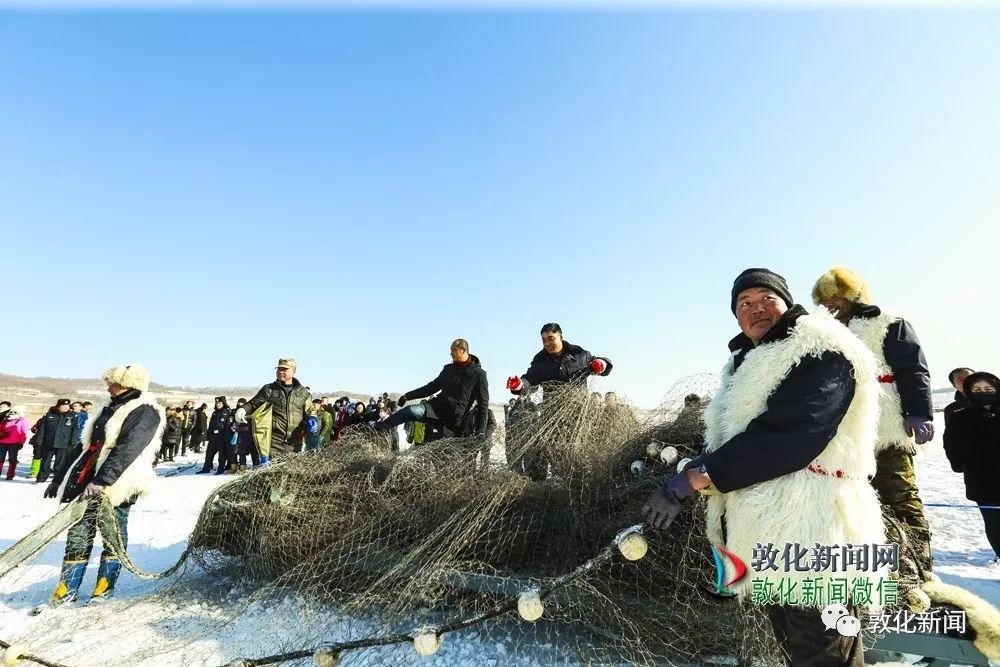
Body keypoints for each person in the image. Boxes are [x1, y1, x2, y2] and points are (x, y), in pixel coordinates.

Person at [643, 268, 884, 667]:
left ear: (786, 303)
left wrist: (696, 478)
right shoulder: (749, 362)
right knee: (799, 647)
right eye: (744, 304)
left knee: (821, 651)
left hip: (817, 531)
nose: (755, 309)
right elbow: (739, 440)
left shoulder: (821, 348)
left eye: (765, 298)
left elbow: (792, 433)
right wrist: (689, 475)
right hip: (774, 534)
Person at [813, 266, 934, 570]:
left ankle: (920, 564)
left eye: (835, 296)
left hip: (887, 427)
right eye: (822, 299)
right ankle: (880, 567)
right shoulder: (823, 334)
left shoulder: (887, 323)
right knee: (857, 502)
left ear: (852, 294)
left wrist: (918, 411)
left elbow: (913, 368)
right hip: (845, 437)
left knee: (900, 496)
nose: (828, 304)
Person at [42, 363, 164, 607]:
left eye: (113, 383)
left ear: (129, 384)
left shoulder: (145, 411)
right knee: (78, 533)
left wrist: (103, 480)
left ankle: (104, 588)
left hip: (118, 483)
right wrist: (59, 478)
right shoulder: (107, 408)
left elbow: (128, 449)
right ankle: (66, 590)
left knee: (112, 535)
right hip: (86, 478)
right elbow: (85, 445)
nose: (109, 387)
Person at [375, 339, 489, 440]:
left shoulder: (479, 374)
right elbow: (431, 387)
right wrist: (408, 396)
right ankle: (381, 428)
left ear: (463, 350)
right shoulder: (448, 369)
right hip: (435, 408)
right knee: (410, 410)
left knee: (443, 455)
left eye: (453, 350)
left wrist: (481, 431)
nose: (451, 353)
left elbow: (483, 404)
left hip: (455, 421)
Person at [943, 372, 1000, 566]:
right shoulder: (959, 416)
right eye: (977, 390)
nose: (983, 393)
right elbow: (951, 445)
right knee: (995, 524)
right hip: (983, 482)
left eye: (988, 389)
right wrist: (961, 464)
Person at [506, 323, 612, 398]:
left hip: (579, 415)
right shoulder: (540, 361)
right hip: (552, 418)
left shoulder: (579, 354)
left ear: (561, 337)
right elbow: (530, 380)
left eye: (551, 339)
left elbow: (604, 366)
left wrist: (601, 364)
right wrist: (520, 385)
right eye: (544, 340)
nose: (547, 343)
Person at [235, 358, 312, 462]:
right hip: (274, 441)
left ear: (293, 371)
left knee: (293, 475)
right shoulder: (269, 389)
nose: (280, 372)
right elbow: (253, 403)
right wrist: (243, 410)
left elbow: (310, 411)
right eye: (279, 369)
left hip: (295, 442)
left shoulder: (303, 392)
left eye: (284, 369)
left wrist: (313, 419)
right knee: (275, 474)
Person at [36, 398, 79, 484]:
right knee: (45, 462)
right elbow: (42, 430)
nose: (66, 407)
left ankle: (57, 480)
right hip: (49, 443)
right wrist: (39, 442)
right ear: (58, 406)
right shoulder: (49, 415)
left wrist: (73, 443)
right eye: (64, 406)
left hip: (63, 444)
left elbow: (75, 431)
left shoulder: (72, 417)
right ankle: (41, 478)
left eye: (67, 406)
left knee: (60, 464)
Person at [199, 396, 232, 475]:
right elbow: (210, 426)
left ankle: (220, 469)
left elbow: (228, 426)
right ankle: (206, 468)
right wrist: (209, 436)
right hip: (213, 437)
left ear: (223, 403)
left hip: (222, 437)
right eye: (216, 403)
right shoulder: (214, 413)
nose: (218, 404)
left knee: (222, 455)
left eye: (219, 403)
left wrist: (226, 438)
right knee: (209, 453)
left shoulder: (227, 412)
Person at [0, 405, 28, 480]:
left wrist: (21, 442)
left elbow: (24, 432)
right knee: (0, 458)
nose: (12, 413)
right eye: (11, 412)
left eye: (14, 412)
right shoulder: (5, 419)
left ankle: (10, 474)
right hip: (2, 442)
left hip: (14, 443)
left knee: (12, 459)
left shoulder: (22, 420)